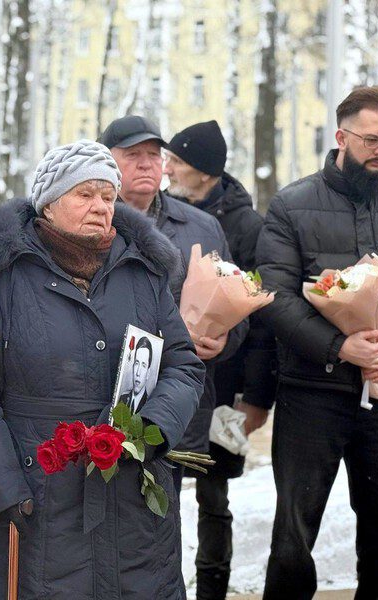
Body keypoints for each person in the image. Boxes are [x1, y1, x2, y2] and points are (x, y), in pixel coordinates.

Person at [0, 139, 205, 598]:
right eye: (85, 195)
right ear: (48, 202)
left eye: (108, 196)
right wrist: (3, 489)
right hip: (38, 499)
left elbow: (183, 365)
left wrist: (151, 431)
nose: (101, 207)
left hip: (135, 501)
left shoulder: (143, 271)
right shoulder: (0, 275)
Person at [256, 85, 378, 599]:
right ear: (341, 136)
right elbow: (273, 295)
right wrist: (339, 348)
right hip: (310, 394)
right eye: (372, 139)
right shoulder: (291, 205)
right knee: (293, 536)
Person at [99, 115, 248, 489]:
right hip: (104, 399)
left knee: (165, 519)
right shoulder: (88, 220)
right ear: (106, 159)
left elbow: (237, 300)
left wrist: (224, 339)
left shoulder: (202, 226)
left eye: (154, 153)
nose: (148, 162)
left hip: (180, 398)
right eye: (133, 154)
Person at [164, 120, 276, 600]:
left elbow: (262, 317)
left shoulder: (246, 227)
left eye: (178, 162)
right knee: (159, 494)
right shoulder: (161, 215)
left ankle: (212, 588)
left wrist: (255, 399)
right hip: (171, 384)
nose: (167, 168)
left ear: (206, 173)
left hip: (224, 386)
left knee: (214, 499)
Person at [118, 336, 154, 412]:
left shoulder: (150, 405)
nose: (138, 373)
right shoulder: (123, 399)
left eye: (144, 365)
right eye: (137, 363)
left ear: (148, 372)